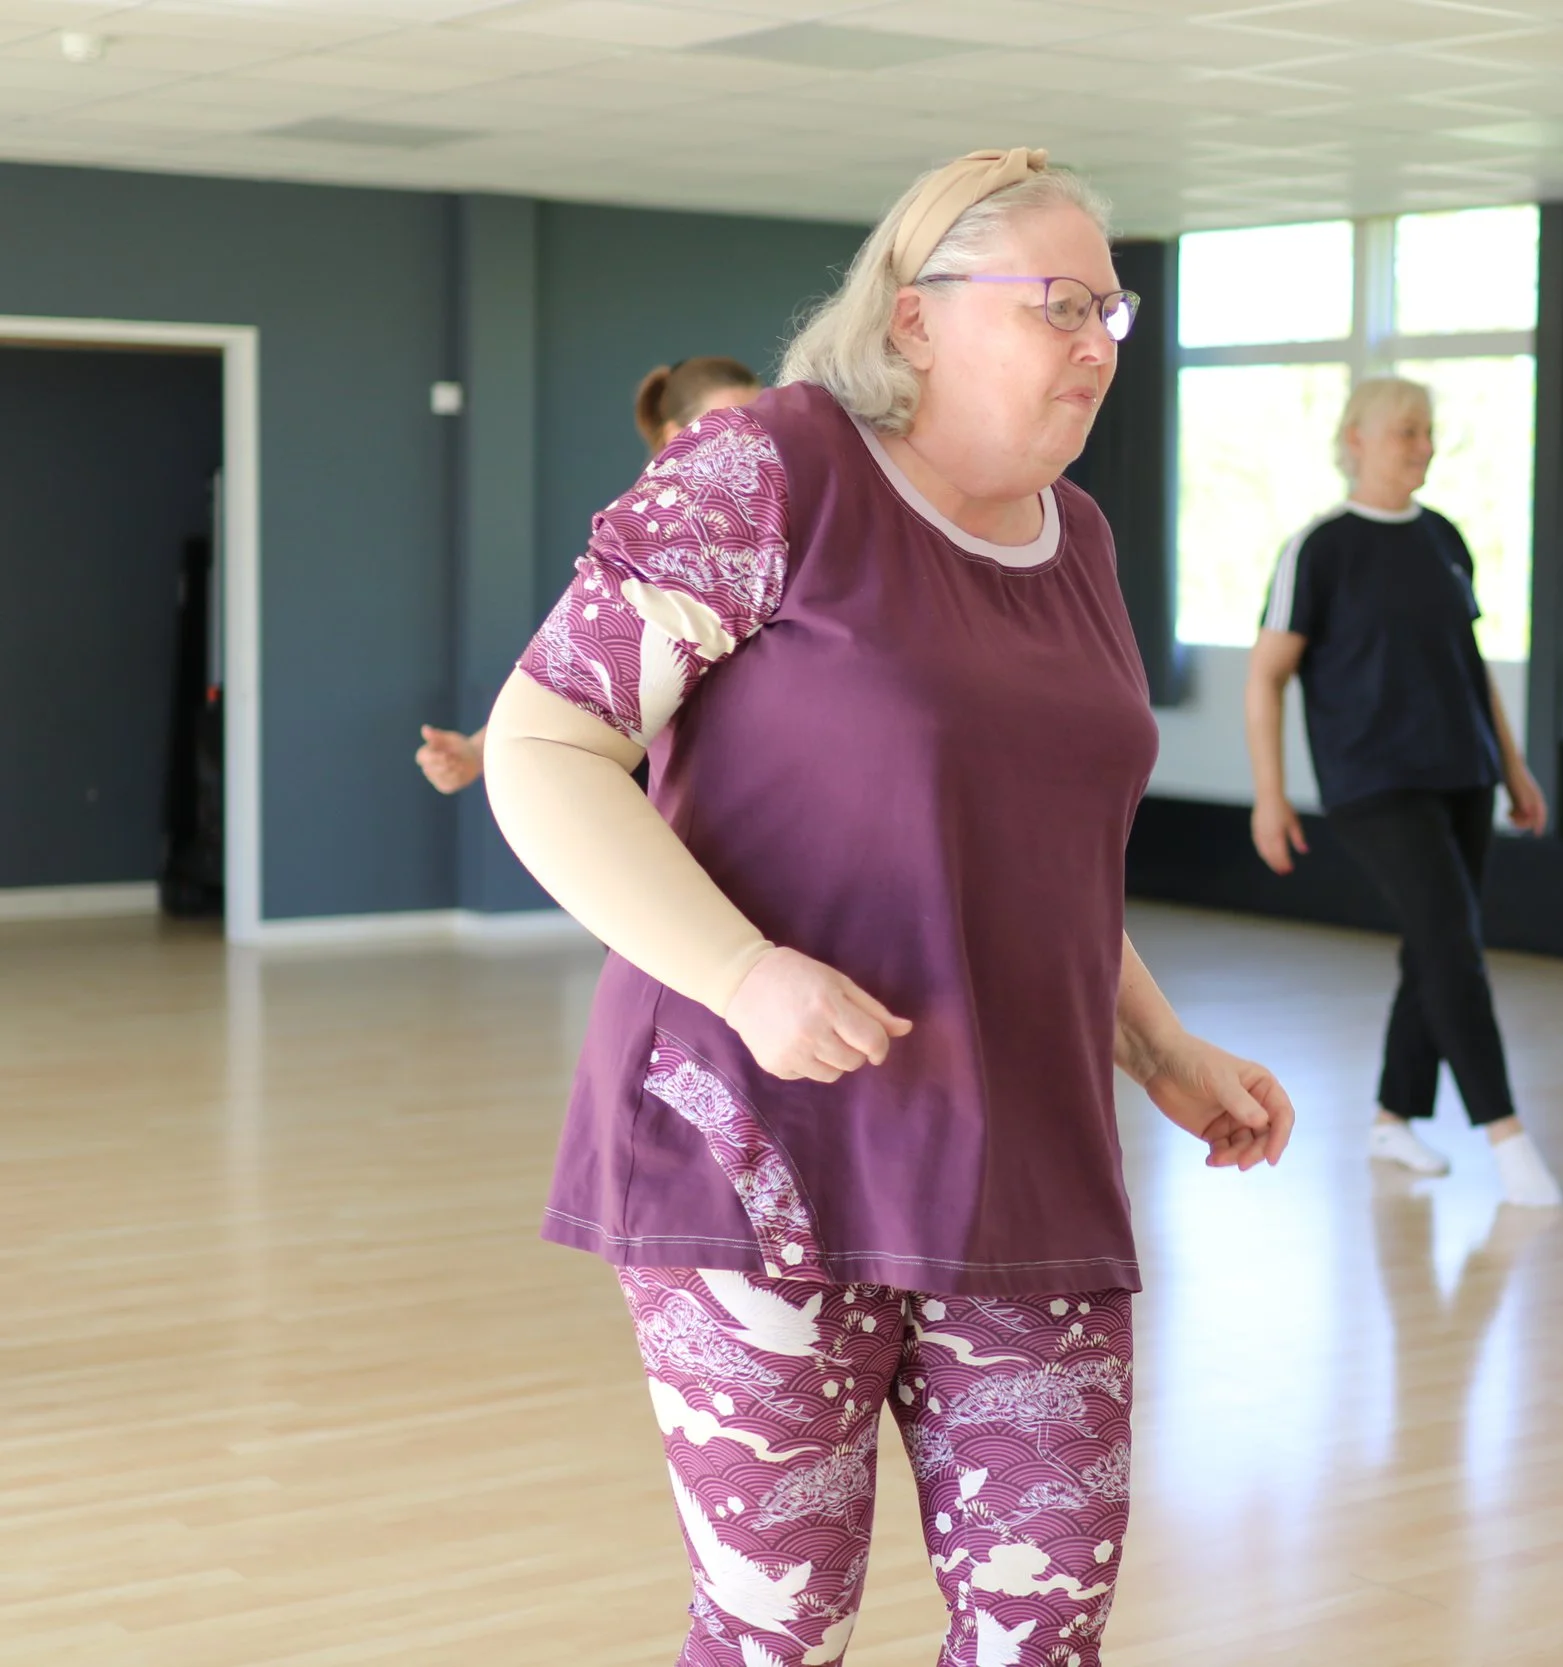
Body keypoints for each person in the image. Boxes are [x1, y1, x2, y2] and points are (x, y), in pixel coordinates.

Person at [483, 149, 1295, 1667]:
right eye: (1059, 305)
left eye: (1111, 307)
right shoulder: (773, 470)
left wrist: (1166, 1048)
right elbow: (541, 746)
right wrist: (743, 971)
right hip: (761, 1155)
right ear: (915, 320)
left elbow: (1030, 855)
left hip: (1025, 1158)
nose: (1098, 343)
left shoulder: (1084, 542)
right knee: (778, 1624)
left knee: (1042, 1624)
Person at [1243, 376, 1562, 1209]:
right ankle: (1507, 1135)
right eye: (1406, 432)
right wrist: (1269, 796)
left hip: (1463, 773)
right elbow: (1266, 676)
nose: (1422, 447)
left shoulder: (1445, 538)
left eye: (1428, 432)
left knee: (1435, 944)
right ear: (1355, 437)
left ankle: (1392, 1117)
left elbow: (1472, 666)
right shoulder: (1319, 547)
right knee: (1452, 941)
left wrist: (1515, 766)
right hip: (1372, 782)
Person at [414, 356, 763, 795]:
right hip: (656, 793)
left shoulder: (765, 536)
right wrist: (475, 751)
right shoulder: (647, 543)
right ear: (678, 437)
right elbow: (581, 659)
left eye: (758, 426)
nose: (752, 445)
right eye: (728, 427)